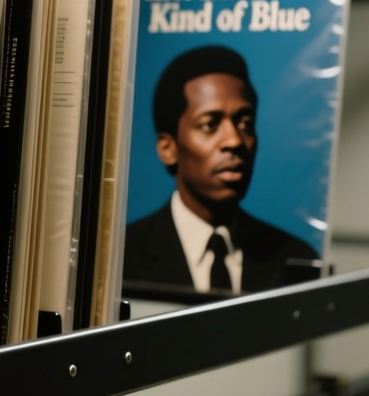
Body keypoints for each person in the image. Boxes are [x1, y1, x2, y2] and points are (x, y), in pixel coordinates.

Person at [125, 45, 318, 293]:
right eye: (209, 125)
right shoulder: (121, 258)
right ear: (168, 148)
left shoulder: (295, 260)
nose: (234, 140)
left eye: (245, 123)